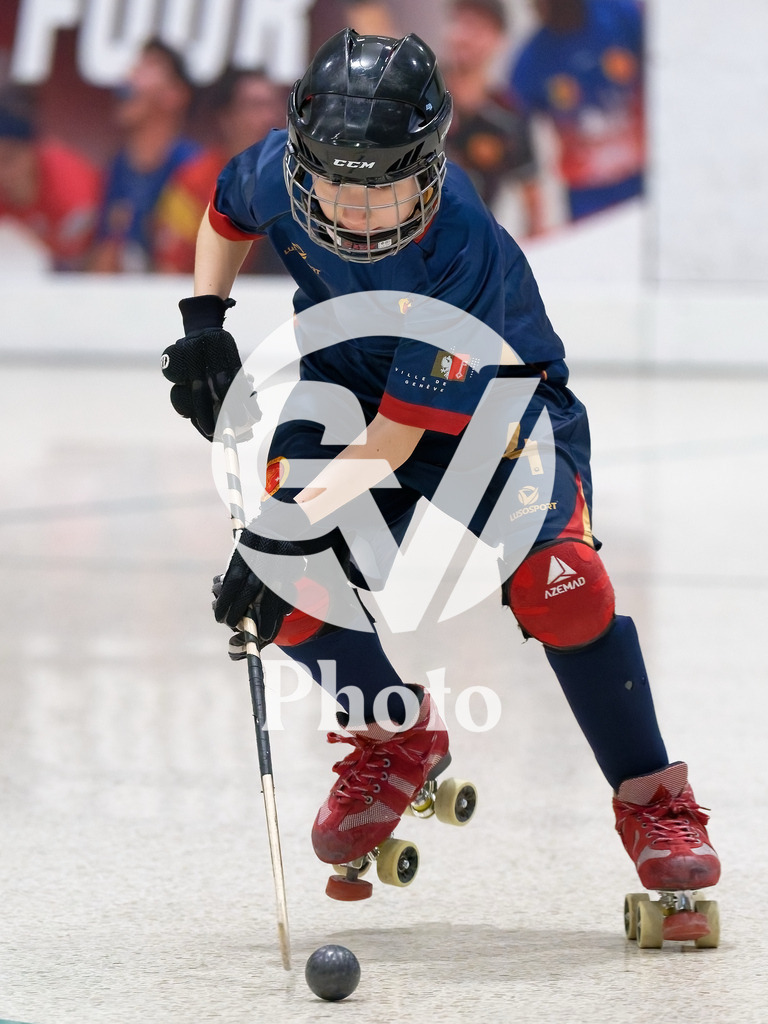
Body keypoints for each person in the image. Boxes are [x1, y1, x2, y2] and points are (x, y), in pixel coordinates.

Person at [161, 29, 720, 910]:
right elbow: (227, 212)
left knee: (561, 582)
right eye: (335, 182)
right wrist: (203, 319)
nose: (353, 207)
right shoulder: (283, 167)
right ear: (304, 159)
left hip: (495, 410)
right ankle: (395, 737)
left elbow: (395, 441)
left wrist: (282, 524)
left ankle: (657, 803)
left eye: (383, 187)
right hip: (348, 388)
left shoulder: (454, 242)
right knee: (289, 580)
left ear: (427, 163)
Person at [509, 0, 645, 221]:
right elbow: (514, 128)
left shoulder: (622, 14)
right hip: (587, 196)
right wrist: (534, 210)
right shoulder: (530, 60)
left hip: (646, 174)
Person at [152, 68, 289, 276]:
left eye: (273, 105)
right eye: (255, 106)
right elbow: (169, 270)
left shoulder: (301, 179)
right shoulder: (193, 182)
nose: (269, 117)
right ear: (227, 118)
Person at [88, 38, 201, 272]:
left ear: (174, 95)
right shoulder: (117, 169)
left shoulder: (194, 168)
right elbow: (100, 263)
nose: (131, 76)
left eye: (149, 66)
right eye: (135, 65)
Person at [443, 0, 543, 234]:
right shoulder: (419, 94)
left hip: (468, 249)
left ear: (499, 40)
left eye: (477, 27)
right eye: (458, 22)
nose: (464, 35)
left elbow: (534, 204)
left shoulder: (510, 118)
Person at [0, 89, 101, 271]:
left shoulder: (71, 189)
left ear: (33, 150)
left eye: (9, 158)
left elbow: (92, 261)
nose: (3, 171)